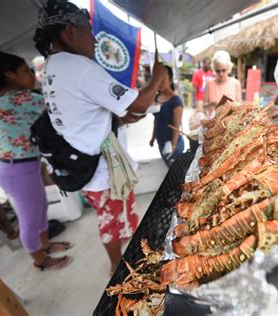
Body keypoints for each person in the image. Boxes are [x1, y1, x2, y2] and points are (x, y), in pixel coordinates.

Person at [34, 0, 167, 274]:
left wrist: (119, 116)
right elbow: (138, 104)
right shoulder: (80, 67)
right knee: (111, 220)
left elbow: (81, 111)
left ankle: (127, 249)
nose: (94, 39)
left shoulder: (53, 66)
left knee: (117, 216)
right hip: (100, 168)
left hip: (84, 159)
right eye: (88, 30)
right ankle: (116, 265)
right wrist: (156, 79)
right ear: (70, 32)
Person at [0, 51, 73, 271]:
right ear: (10, 75)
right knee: (29, 219)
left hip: (13, 168)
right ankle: (40, 260)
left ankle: (46, 245)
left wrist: (11, 139)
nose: (32, 75)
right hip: (20, 171)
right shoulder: (28, 100)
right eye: (25, 71)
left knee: (39, 209)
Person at [150, 65, 184, 166]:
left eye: (162, 80)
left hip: (174, 144)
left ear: (170, 80)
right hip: (161, 142)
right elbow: (156, 120)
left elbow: (176, 126)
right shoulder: (156, 98)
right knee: (169, 170)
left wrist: (173, 146)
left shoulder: (176, 100)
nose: (159, 83)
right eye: (157, 80)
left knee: (176, 174)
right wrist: (153, 137)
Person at [204, 50, 242, 117]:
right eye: (217, 71)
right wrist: (211, 104)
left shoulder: (235, 83)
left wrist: (231, 106)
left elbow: (240, 106)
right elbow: (204, 107)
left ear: (228, 68)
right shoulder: (209, 84)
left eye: (223, 70)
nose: (221, 74)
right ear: (214, 69)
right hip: (213, 121)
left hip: (230, 121)